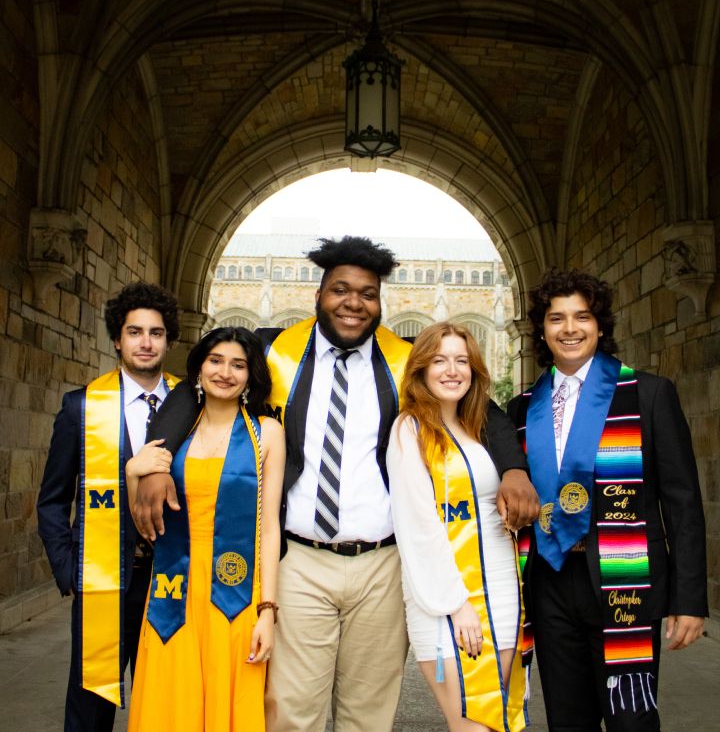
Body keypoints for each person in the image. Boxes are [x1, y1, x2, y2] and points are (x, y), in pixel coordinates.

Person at [134, 236, 537, 732]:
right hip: (300, 559)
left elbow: (485, 410)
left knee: (368, 715)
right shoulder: (273, 349)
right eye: (340, 289)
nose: (354, 302)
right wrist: (156, 459)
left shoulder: (404, 359)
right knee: (289, 711)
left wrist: (514, 468)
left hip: (383, 564)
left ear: (380, 302)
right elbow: (194, 388)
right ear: (319, 294)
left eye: (367, 293)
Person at [506, 268, 708, 732]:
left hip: (624, 581)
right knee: (567, 721)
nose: (570, 328)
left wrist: (689, 599)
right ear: (542, 329)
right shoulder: (522, 408)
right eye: (557, 319)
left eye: (582, 317)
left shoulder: (648, 394)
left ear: (600, 325)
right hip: (551, 581)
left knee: (631, 721)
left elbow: (682, 502)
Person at [37, 282, 181, 731]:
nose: (145, 342)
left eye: (156, 333)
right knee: (89, 704)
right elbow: (53, 499)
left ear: (168, 341)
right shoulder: (81, 407)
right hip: (102, 579)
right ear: (117, 339)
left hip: (174, 578)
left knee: (168, 703)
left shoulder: (192, 404)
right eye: (134, 332)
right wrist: (69, 572)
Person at [125, 326, 285, 730]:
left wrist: (267, 610)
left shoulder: (267, 433)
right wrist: (132, 471)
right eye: (216, 361)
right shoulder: (173, 435)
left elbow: (269, 526)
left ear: (251, 376)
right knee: (173, 705)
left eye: (238, 365)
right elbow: (141, 514)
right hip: (173, 589)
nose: (225, 373)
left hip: (236, 594)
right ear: (198, 369)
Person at [387, 323, 531, 732]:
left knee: (495, 721)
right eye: (439, 361)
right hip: (447, 599)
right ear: (421, 370)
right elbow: (417, 526)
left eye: (461, 361)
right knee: (472, 725)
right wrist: (457, 604)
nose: (452, 371)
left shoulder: (479, 428)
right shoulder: (409, 431)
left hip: (503, 593)